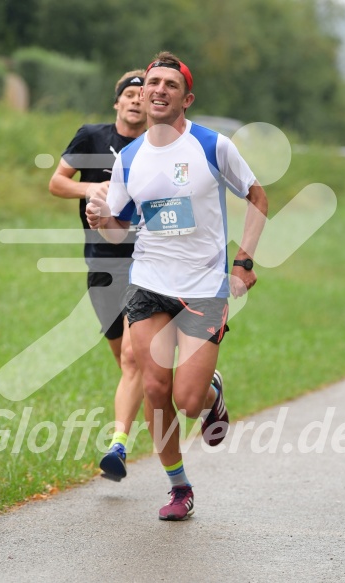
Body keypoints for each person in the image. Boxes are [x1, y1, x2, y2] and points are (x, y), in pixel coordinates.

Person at [86, 51, 268, 520]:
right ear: (142, 94)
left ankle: (211, 394)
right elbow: (120, 229)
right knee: (154, 387)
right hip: (148, 283)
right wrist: (101, 217)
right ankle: (178, 487)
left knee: (188, 401)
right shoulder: (129, 157)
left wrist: (244, 260)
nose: (159, 89)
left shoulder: (212, 146)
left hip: (205, 284)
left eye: (170, 84)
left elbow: (257, 195)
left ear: (186, 98)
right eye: (153, 83)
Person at [49, 70, 147, 481]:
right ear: (117, 102)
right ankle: (200, 384)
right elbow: (56, 182)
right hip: (101, 264)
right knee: (126, 359)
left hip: (145, 261)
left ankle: (118, 446)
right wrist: (89, 190)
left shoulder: (156, 148)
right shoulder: (91, 136)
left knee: (132, 357)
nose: (137, 100)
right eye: (129, 93)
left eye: (143, 95)